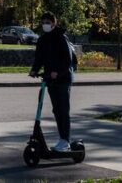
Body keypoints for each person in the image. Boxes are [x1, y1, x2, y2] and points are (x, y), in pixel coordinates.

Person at [28, 12, 75, 152]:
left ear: (54, 23)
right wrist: (34, 70)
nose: (45, 25)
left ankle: (65, 140)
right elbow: (39, 58)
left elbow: (68, 61)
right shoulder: (42, 40)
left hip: (63, 78)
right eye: (43, 22)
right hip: (50, 79)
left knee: (63, 110)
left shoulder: (61, 38)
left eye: (48, 22)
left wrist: (58, 72)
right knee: (56, 110)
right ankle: (62, 139)